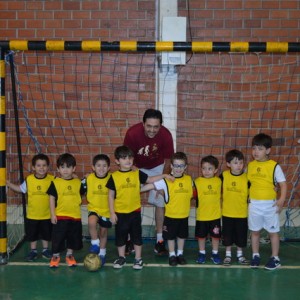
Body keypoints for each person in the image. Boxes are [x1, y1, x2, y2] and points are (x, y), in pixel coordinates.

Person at [106, 145, 174, 270]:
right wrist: (112, 213)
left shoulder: (137, 173)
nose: (128, 160)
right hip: (120, 213)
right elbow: (110, 196)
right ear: (117, 161)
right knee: (121, 237)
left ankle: (138, 259)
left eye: (130, 157)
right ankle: (121, 257)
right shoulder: (114, 177)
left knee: (137, 236)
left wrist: (164, 175)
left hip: (135, 212)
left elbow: (150, 179)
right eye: (124, 158)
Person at [124, 108, 174, 255]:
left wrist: (161, 184)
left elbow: (168, 160)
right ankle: (129, 240)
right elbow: (126, 159)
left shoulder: (165, 135)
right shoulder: (132, 133)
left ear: (161, 125)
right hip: (135, 167)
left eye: (156, 127)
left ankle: (159, 241)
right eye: (149, 126)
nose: (152, 130)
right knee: (129, 200)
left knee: (160, 201)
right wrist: (139, 176)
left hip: (157, 168)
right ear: (143, 123)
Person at [141, 152, 194, 266]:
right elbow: (149, 186)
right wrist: (136, 189)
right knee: (170, 237)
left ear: (185, 167)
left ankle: (180, 254)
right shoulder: (166, 181)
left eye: (181, 166)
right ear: (171, 166)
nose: (178, 168)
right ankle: (172, 255)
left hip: (184, 216)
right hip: (171, 216)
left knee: (181, 236)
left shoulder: (189, 180)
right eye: (175, 165)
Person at [247, 133, 287, 270]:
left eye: (260, 148)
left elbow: (283, 185)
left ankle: (275, 258)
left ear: (268, 150)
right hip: (254, 205)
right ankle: (255, 255)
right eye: (254, 148)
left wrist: (281, 200)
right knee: (255, 232)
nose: (256, 152)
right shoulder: (250, 166)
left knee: (273, 232)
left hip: (270, 205)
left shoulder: (274, 166)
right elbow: (247, 183)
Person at [6, 153, 54, 261]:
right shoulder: (29, 180)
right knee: (33, 235)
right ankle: (33, 251)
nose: (41, 168)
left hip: (47, 214)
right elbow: (20, 189)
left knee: (46, 234)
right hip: (32, 215)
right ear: (33, 167)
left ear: (48, 167)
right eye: (38, 165)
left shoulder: (52, 179)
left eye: (44, 165)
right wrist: (9, 184)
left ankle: (45, 249)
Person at [47, 153, 85, 268]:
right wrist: (53, 214)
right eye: (62, 167)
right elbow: (51, 198)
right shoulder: (55, 182)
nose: (65, 170)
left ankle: (69, 255)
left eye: (68, 167)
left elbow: (82, 195)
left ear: (73, 168)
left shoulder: (78, 183)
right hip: (60, 216)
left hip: (75, 216)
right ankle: (56, 255)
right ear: (58, 169)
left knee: (72, 238)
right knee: (58, 238)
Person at [220, 149, 249, 266]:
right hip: (227, 213)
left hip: (241, 213)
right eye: (235, 163)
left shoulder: (247, 178)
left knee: (240, 236)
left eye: (241, 162)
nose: (239, 165)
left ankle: (240, 254)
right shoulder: (223, 176)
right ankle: (228, 255)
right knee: (227, 236)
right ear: (228, 164)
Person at [81, 154, 112, 266]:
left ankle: (102, 253)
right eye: (98, 165)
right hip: (94, 208)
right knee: (91, 222)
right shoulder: (88, 179)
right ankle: (95, 243)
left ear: (109, 168)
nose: (101, 168)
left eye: (104, 166)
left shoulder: (112, 179)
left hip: (107, 211)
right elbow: (78, 187)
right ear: (93, 167)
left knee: (103, 232)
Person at [194, 155, 222, 265]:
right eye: (204, 168)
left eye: (210, 168)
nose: (206, 171)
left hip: (215, 216)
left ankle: (215, 253)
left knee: (215, 237)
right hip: (202, 216)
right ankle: (202, 253)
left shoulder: (219, 182)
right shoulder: (197, 182)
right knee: (201, 237)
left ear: (215, 170)